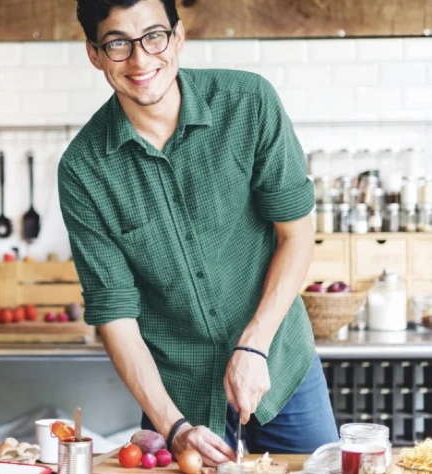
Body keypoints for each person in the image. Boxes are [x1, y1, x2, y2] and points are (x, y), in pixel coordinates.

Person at [57, 0, 339, 465]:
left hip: (281, 364)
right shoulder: (84, 169)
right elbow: (115, 316)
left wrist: (254, 345)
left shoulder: (248, 103)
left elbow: (296, 236)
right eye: (118, 44)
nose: (141, 60)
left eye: (153, 36)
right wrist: (174, 427)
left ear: (178, 36)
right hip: (178, 400)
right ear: (94, 54)